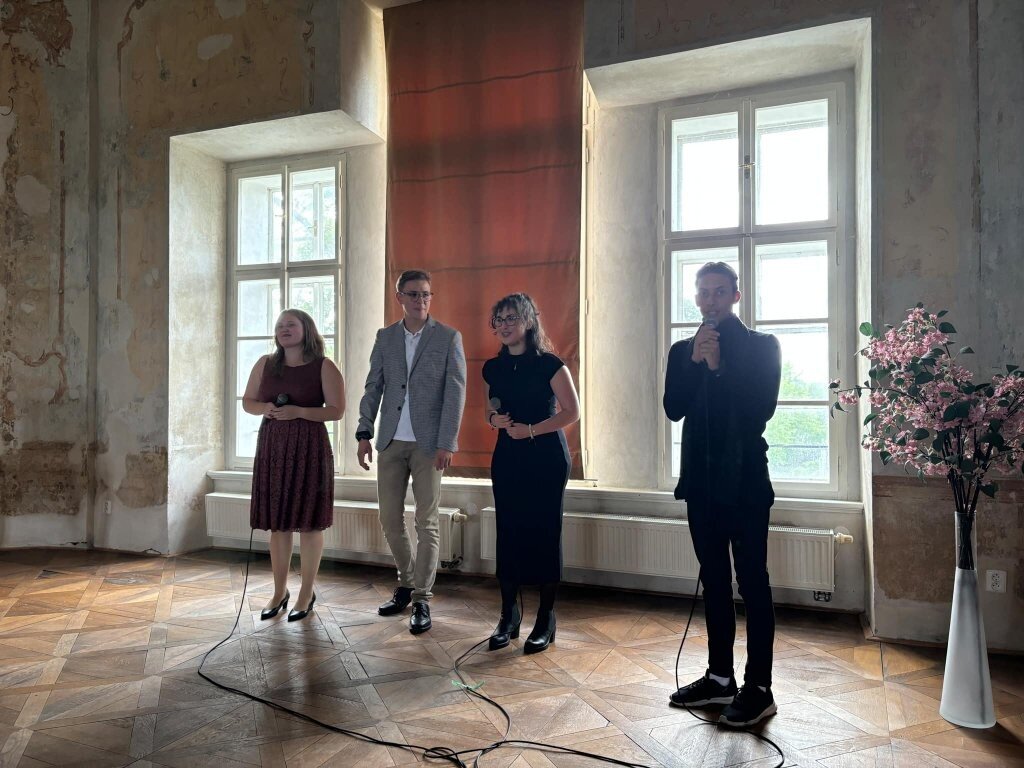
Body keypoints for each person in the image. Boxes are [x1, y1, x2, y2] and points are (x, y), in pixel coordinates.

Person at [663, 261, 782, 727]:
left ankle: (760, 687)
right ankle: (719, 678)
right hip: (702, 484)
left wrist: (718, 367)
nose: (710, 300)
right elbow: (674, 408)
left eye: (718, 291)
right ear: (696, 299)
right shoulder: (682, 351)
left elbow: (759, 412)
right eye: (703, 292)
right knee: (713, 580)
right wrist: (696, 364)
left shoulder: (761, 346)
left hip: (746, 483)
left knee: (752, 583)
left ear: (736, 295)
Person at [356, 269, 467, 635]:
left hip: (429, 445)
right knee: (389, 519)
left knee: (426, 522)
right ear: (399, 297)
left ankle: (421, 598)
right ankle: (406, 581)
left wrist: (447, 442)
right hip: (389, 441)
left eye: (426, 294)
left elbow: (455, 394)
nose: (421, 300)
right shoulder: (385, 337)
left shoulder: (448, 337)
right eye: (414, 294)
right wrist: (364, 431)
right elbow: (373, 386)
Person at [482, 293, 580, 654]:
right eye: (500, 319)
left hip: (546, 457)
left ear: (528, 322)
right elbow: (488, 409)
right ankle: (508, 616)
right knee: (508, 532)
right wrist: (494, 419)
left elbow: (572, 412)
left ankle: (545, 618)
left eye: (512, 318)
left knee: (545, 533)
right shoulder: (492, 368)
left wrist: (532, 430)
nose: (505, 325)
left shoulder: (550, 364)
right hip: (508, 455)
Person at [245, 308, 345, 622]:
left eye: (291, 324)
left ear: (306, 329)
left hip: (309, 449)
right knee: (279, 524)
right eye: (280, 325)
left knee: (310, 523)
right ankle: (279, 592)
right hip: (273, 448)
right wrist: (265, 408)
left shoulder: (324, 366)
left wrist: (299, 412)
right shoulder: (265, 363)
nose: (284, 329)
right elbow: (248, 402)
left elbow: (336, 411)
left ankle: (306, 593)